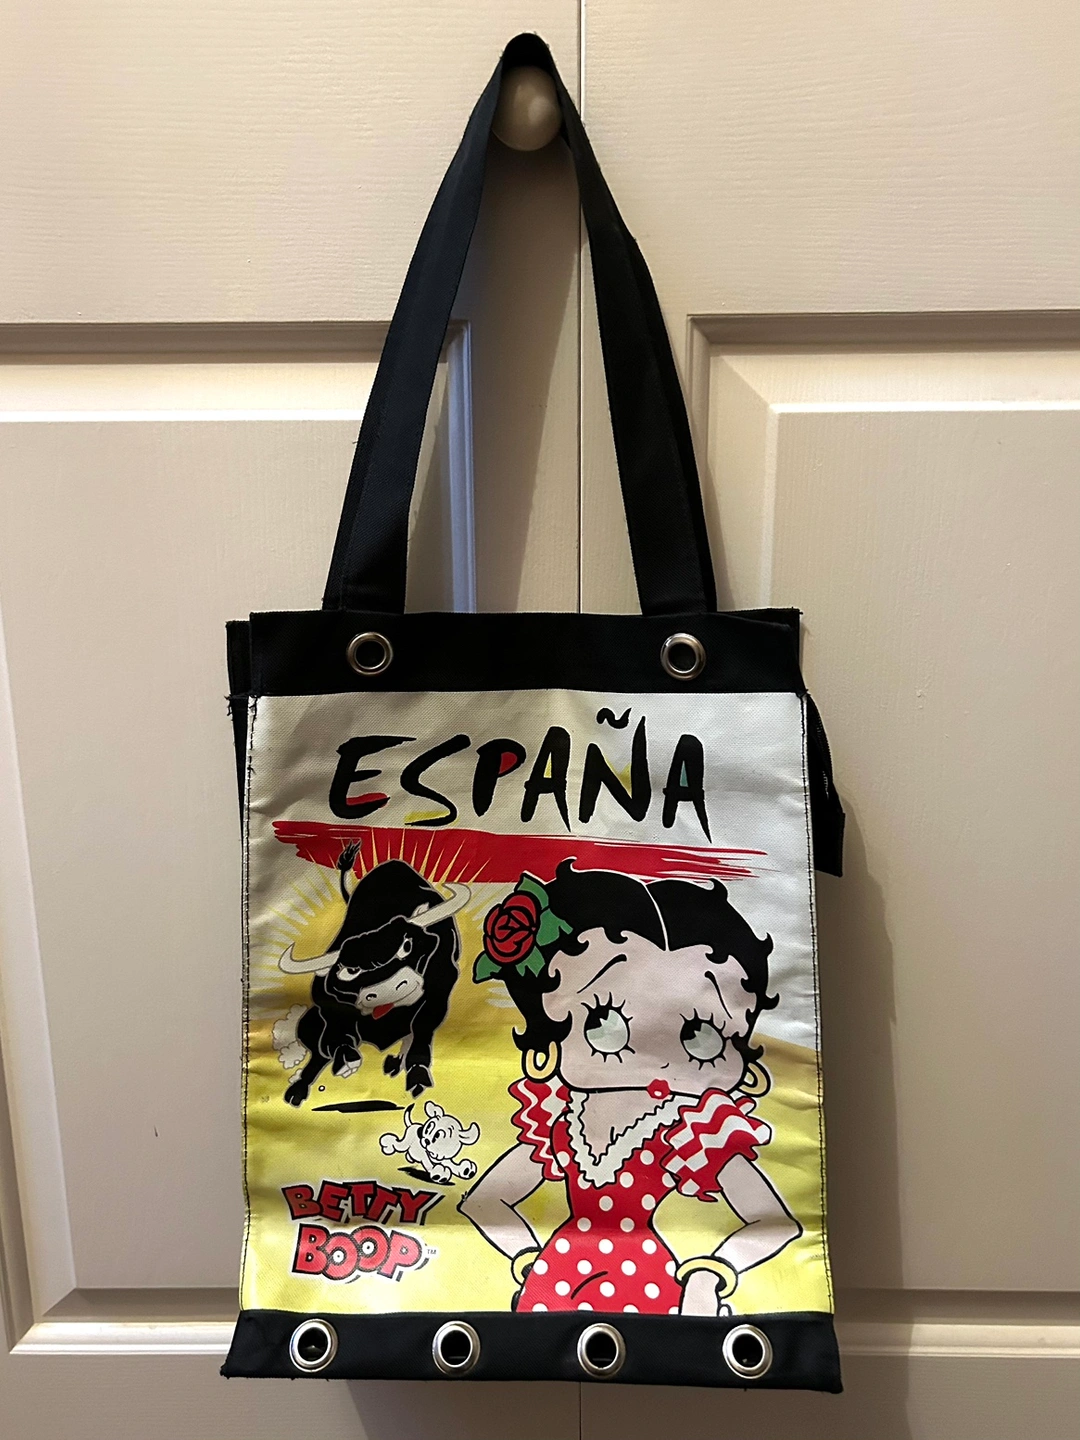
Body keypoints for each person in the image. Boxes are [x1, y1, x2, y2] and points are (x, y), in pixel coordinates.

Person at [460, 861, 800, 1316]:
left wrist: (709, 1274)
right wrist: (526, 1257)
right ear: (550, 1026)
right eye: (604, 1022)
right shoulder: (561, 1122)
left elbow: (775, 1222)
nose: (655, 1059)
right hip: (553, 1285)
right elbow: (485, 1202)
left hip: (647, 1290)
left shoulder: (690, 1130)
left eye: (700, 1035)